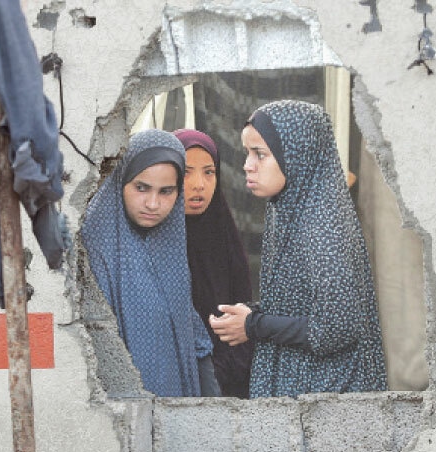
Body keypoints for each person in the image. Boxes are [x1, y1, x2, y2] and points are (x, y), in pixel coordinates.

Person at [209, 100, 388, 398]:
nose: (247, 165)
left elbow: (337, 328)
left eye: (260, 155)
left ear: (297, 155)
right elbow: (300, 306)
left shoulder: (322, 225)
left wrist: (254, 325)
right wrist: (250, 316)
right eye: (247, 153)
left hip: (326, 399)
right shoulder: (288, 208)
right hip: (304, 388)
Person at [81, 129, 219, 397]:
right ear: (121, 181)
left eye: (166, 191)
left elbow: (193, 336)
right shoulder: (95, 246)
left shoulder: (169, 244)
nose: (153, 204)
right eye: (141, 188)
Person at [174, 129, 255, 399]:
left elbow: (240, 304)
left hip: (231, 381)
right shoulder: (153, 241)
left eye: (209, 172)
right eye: (186, 172)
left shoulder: (224, 233)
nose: (199, 184)